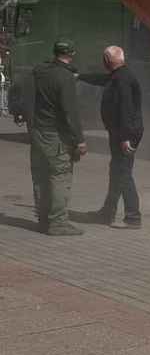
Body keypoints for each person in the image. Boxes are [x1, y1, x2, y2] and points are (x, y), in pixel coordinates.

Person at [79, 46, 144, 228]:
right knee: (117, 172)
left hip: (125, 135)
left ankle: (133, 217)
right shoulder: (118, 76)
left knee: (123, 173)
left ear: (107, 61)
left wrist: (125, 138)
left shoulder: (122, 79)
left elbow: (126, 109)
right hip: (121, 133)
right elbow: (101, 79)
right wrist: (80, 76)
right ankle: (107, 213)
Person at [30, 40, 88, 236]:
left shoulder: (39, 72)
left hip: (38, 132)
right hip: (56, 135)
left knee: (40, 176)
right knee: (60, 176)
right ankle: (58, 223)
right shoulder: (65, 77)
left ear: (54, 52)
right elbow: (70, 112)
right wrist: (80, 140)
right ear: (71, 54)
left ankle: (43, 220)